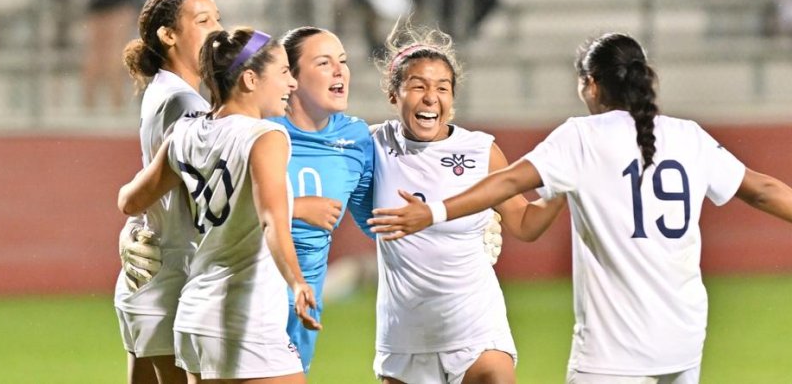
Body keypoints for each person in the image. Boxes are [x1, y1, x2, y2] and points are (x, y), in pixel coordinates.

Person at [369, 32, 792, 383]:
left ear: (590, 84)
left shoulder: (582, 137)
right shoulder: (689, 135)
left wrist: (436, 212)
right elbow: (764, 189)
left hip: (612, 350)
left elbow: (510, 181)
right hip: (683, 338)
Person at [118, 26, 320, 383]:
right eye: (284, 73)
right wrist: (298, 282)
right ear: (249, 79)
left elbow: (130, 200)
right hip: (245, 313)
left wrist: (133, 232)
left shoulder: (185, 133)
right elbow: (272, 220)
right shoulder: (266, 136)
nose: (292, 84)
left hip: (195, 317)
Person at [368, 20, 565, 384]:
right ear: (394, 96)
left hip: (477, 329)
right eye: (418, 86)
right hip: (405, 339)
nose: (431, 97)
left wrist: (563, 188)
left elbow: (524, 223)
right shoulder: (374, 145)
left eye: (443, 88)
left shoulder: (480, 151)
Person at [116, 0, 222, 384]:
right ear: (168, 34)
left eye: (218, 19)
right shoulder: (186, 103)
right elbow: (206, 195)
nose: (216, 30)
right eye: (203, 20)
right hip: (175, 272)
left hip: (149, 266)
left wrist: (136, 219)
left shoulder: (162, 89)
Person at [270, 26, 375, 373]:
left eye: (342, 61)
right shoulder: (259, 129)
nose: (339, 70)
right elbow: (218, 211)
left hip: (304, 306)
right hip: (249, 294)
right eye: (323, 62)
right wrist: (296, 208)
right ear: (292, 77)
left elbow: (376, 221)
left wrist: (456, 226)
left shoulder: (356, 138)